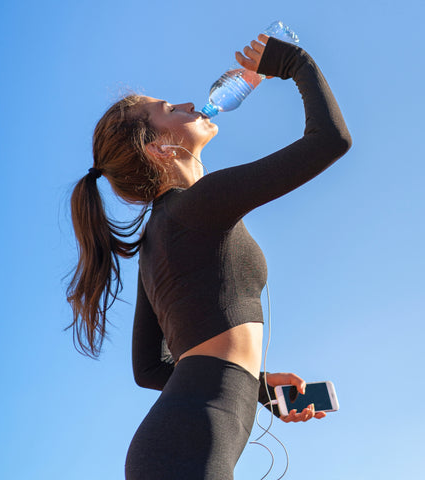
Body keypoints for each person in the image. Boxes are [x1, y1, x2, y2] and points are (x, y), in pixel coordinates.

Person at [67, 33, 351, 479]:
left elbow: (149, 368)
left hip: (177, 443)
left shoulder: (158, 239)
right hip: (186, 446)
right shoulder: (195, 206)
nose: (185, 103)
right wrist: (295, 61)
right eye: (170, 110)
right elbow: (330, 141)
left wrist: (258, 388)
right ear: (158, 149)